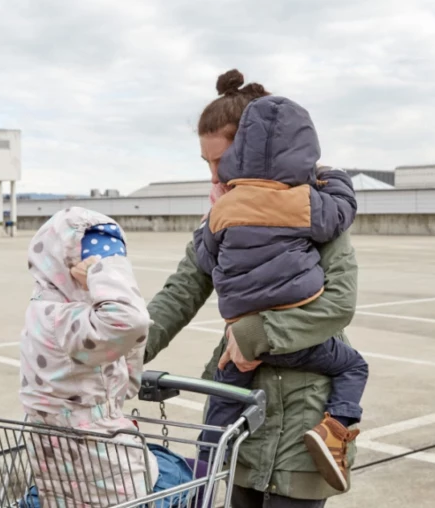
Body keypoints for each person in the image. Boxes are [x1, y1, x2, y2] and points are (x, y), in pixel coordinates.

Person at [145, 69, 360, 507]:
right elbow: (182, 291)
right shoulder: (223, 217)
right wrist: (122, 350)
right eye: (205, 164)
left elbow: (339, 303)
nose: (213, 177)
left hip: (304, 425)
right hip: (242, 416)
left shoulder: (313, 212)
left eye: (219, 162)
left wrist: (254, 334)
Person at [192, 94, 368, 493]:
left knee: (225, 385)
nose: (214, 174)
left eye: (219, 161)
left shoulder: (224, 208)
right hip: (294, 339)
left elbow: (204, 261)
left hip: (245, 340)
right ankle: (336, 429)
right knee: (354, 366)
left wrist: (209, 226)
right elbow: (342, 210)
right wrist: (332, 177)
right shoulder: (306, 204)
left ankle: (206, 457)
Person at [19, 207, 199, 508]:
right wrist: (100, 273)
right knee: (181, 471)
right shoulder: (70, 322)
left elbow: (123, 375)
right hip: (111, 484)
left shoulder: (41, 313)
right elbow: (132, 321)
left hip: (59, 486)